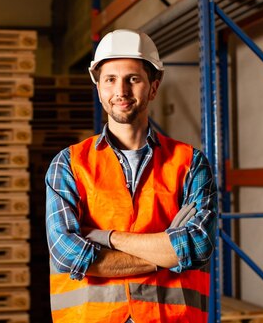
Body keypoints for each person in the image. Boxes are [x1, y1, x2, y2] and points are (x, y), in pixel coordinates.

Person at [45, 29, 217, 323]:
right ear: (99, 88)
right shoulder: (69, 164)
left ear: (153, 87)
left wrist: (104, 237)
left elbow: (197, 246)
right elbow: (68, 254)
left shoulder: (191, 163)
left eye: (133, 79)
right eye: (110, 80)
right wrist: (165, 252)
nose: (121, 91)